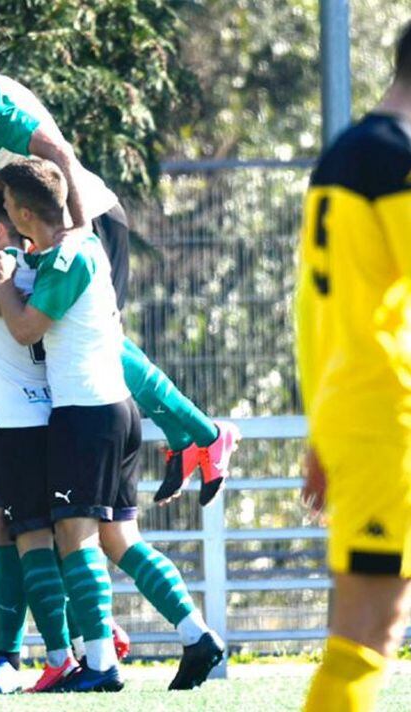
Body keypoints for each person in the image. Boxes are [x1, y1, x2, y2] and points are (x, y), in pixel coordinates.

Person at [0, 54, 239, 505]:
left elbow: (58, 154)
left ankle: (203, 434)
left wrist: (79, 232)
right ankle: (194, 436)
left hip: (90, 223)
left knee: (100, 345)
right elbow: (26, 175)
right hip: (61, 239)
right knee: (98, 345)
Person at [0, 158, 224, 692]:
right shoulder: (75, 246)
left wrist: (1, 282)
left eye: (5, 205)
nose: (2, 211)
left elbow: (24, 330)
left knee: (76, 539)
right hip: (115, 412)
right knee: (120, 540)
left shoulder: (67, 257)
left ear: (23, 212)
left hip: (86, 415)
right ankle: (196, 635)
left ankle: (99, 664)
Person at [297, 21, 411, 712]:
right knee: (368, 627)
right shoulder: (395, 159)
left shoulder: (349, 152)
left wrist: (323, 428)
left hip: (359, 413)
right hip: (387, 420)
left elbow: (314, 316)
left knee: (369, 625)